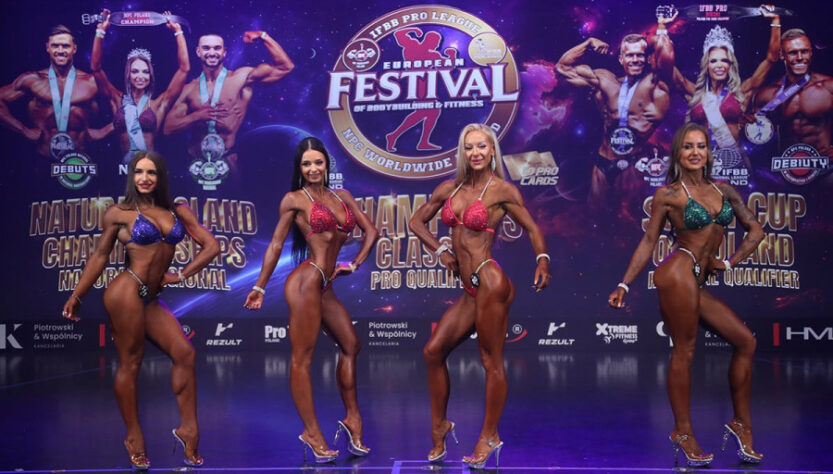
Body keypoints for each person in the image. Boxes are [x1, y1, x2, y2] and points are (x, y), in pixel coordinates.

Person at [608, 123, 765, 467]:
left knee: (746, 342)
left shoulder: (724, 190)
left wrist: (730, 261)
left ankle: (741, 424)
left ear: (709, 152)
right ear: (678, 153)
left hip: (697, 280)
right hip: (678, 272)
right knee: (685, 350)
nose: (695, 152)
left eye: (701, 146)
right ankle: (682, 432)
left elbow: (756, 230)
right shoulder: (668, 194)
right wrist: (624, 284)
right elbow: (649, 242)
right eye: (688, 146)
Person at [61, 151, 220, 470]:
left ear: (160, 177)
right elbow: (100, 255)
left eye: (151, 172)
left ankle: (188, 430)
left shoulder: (177, 211)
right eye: (138, 172)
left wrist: (181, 275)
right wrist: (77, 294)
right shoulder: (119, 213)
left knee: (185, 354)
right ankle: (133, 437)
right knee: (131, 362)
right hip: (126, 291)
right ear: (131, 176)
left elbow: (212, 246)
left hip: (150, 298)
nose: (144, 178)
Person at [409, 123, 551, 469]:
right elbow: (415, 222)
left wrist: (543, 260)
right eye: (469, 147)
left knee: (490, 361)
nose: (475, 153)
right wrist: (441, 249)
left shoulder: (501, 190)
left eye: (482, 146)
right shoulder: (450, 188)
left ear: (492, 151)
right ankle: (440, 426)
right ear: (463, 152)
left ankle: (489, 436)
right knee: (432, 352)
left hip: (489, 281)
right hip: (470, 289)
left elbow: (532, 227)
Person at [244, 137, 379, 463]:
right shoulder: (294, 199)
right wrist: (260, 286)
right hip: (306, 281)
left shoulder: (342, 196)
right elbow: (276, 245)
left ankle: (353, 419)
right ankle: (311, 432)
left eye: (318, 162)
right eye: (306, 164)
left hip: (325, 285)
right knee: (302, 358)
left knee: (351, 345)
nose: (313, 169)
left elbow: (372, 232)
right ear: (300, 168)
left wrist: (355, 264)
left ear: (326, 164)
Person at [556, 13, 676, 202]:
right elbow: (563, 68)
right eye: (630, 55)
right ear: (621, 59)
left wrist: (661, 27)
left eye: (640, 55)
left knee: (629, 217)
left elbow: (665, 54)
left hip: (634, 164)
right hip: (602, 162)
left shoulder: (656, 85)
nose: (635, 59)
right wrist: (588, 43)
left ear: (647, 58)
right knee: (596, 212)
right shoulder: (605, 80)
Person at [163, 30, 294, 172]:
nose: (212, 53)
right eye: (206, 48)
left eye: (217, 48)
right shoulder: (188, 89)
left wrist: (263, 36)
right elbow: (168, 129)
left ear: (224, 52)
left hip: (227, 159)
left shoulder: (241, 78)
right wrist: (196, 116)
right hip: (195, 162)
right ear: (198, 52)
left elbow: (285, 67)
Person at [672, 6, 780, 172]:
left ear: (731, 64)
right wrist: (662, 29)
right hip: (699, 164)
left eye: (724, 60)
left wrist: (775, 21)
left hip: (733, 164)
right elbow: (668, 70)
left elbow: (771, 60)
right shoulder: (695, 93)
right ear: (706, 65)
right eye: (713, 61)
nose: (719, 65)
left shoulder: (742, 91)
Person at [91, 9, 189, 162]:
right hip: (123, 167)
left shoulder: (159, 104)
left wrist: (178, 32)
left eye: (145, 72)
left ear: (150, 76)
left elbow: (184, 69)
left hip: (149, 165)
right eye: (135, 71)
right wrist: (100, 32)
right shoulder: (116, 99)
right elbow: (96, 68)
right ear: (128, 74)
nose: (140, 76)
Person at [0, 25, 109, 158]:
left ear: (74, 49)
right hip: (42, 157)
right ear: (48, 48)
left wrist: (104, 131)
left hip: (79, 161)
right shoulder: (33, 80)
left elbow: (124, 104)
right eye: (55, 46)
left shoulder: (91, 82)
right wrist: (23, 130)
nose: (60, 50)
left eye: (65, 46)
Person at [752, 28, 833, 160]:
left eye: (804, 51)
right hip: (786, 166)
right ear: (782, 55)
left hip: (823, 164)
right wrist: (745, 122)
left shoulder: (829, 87)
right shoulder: (767, 94)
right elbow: (756, 136)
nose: (800, 58)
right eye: (793, 52)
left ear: (811, 53)